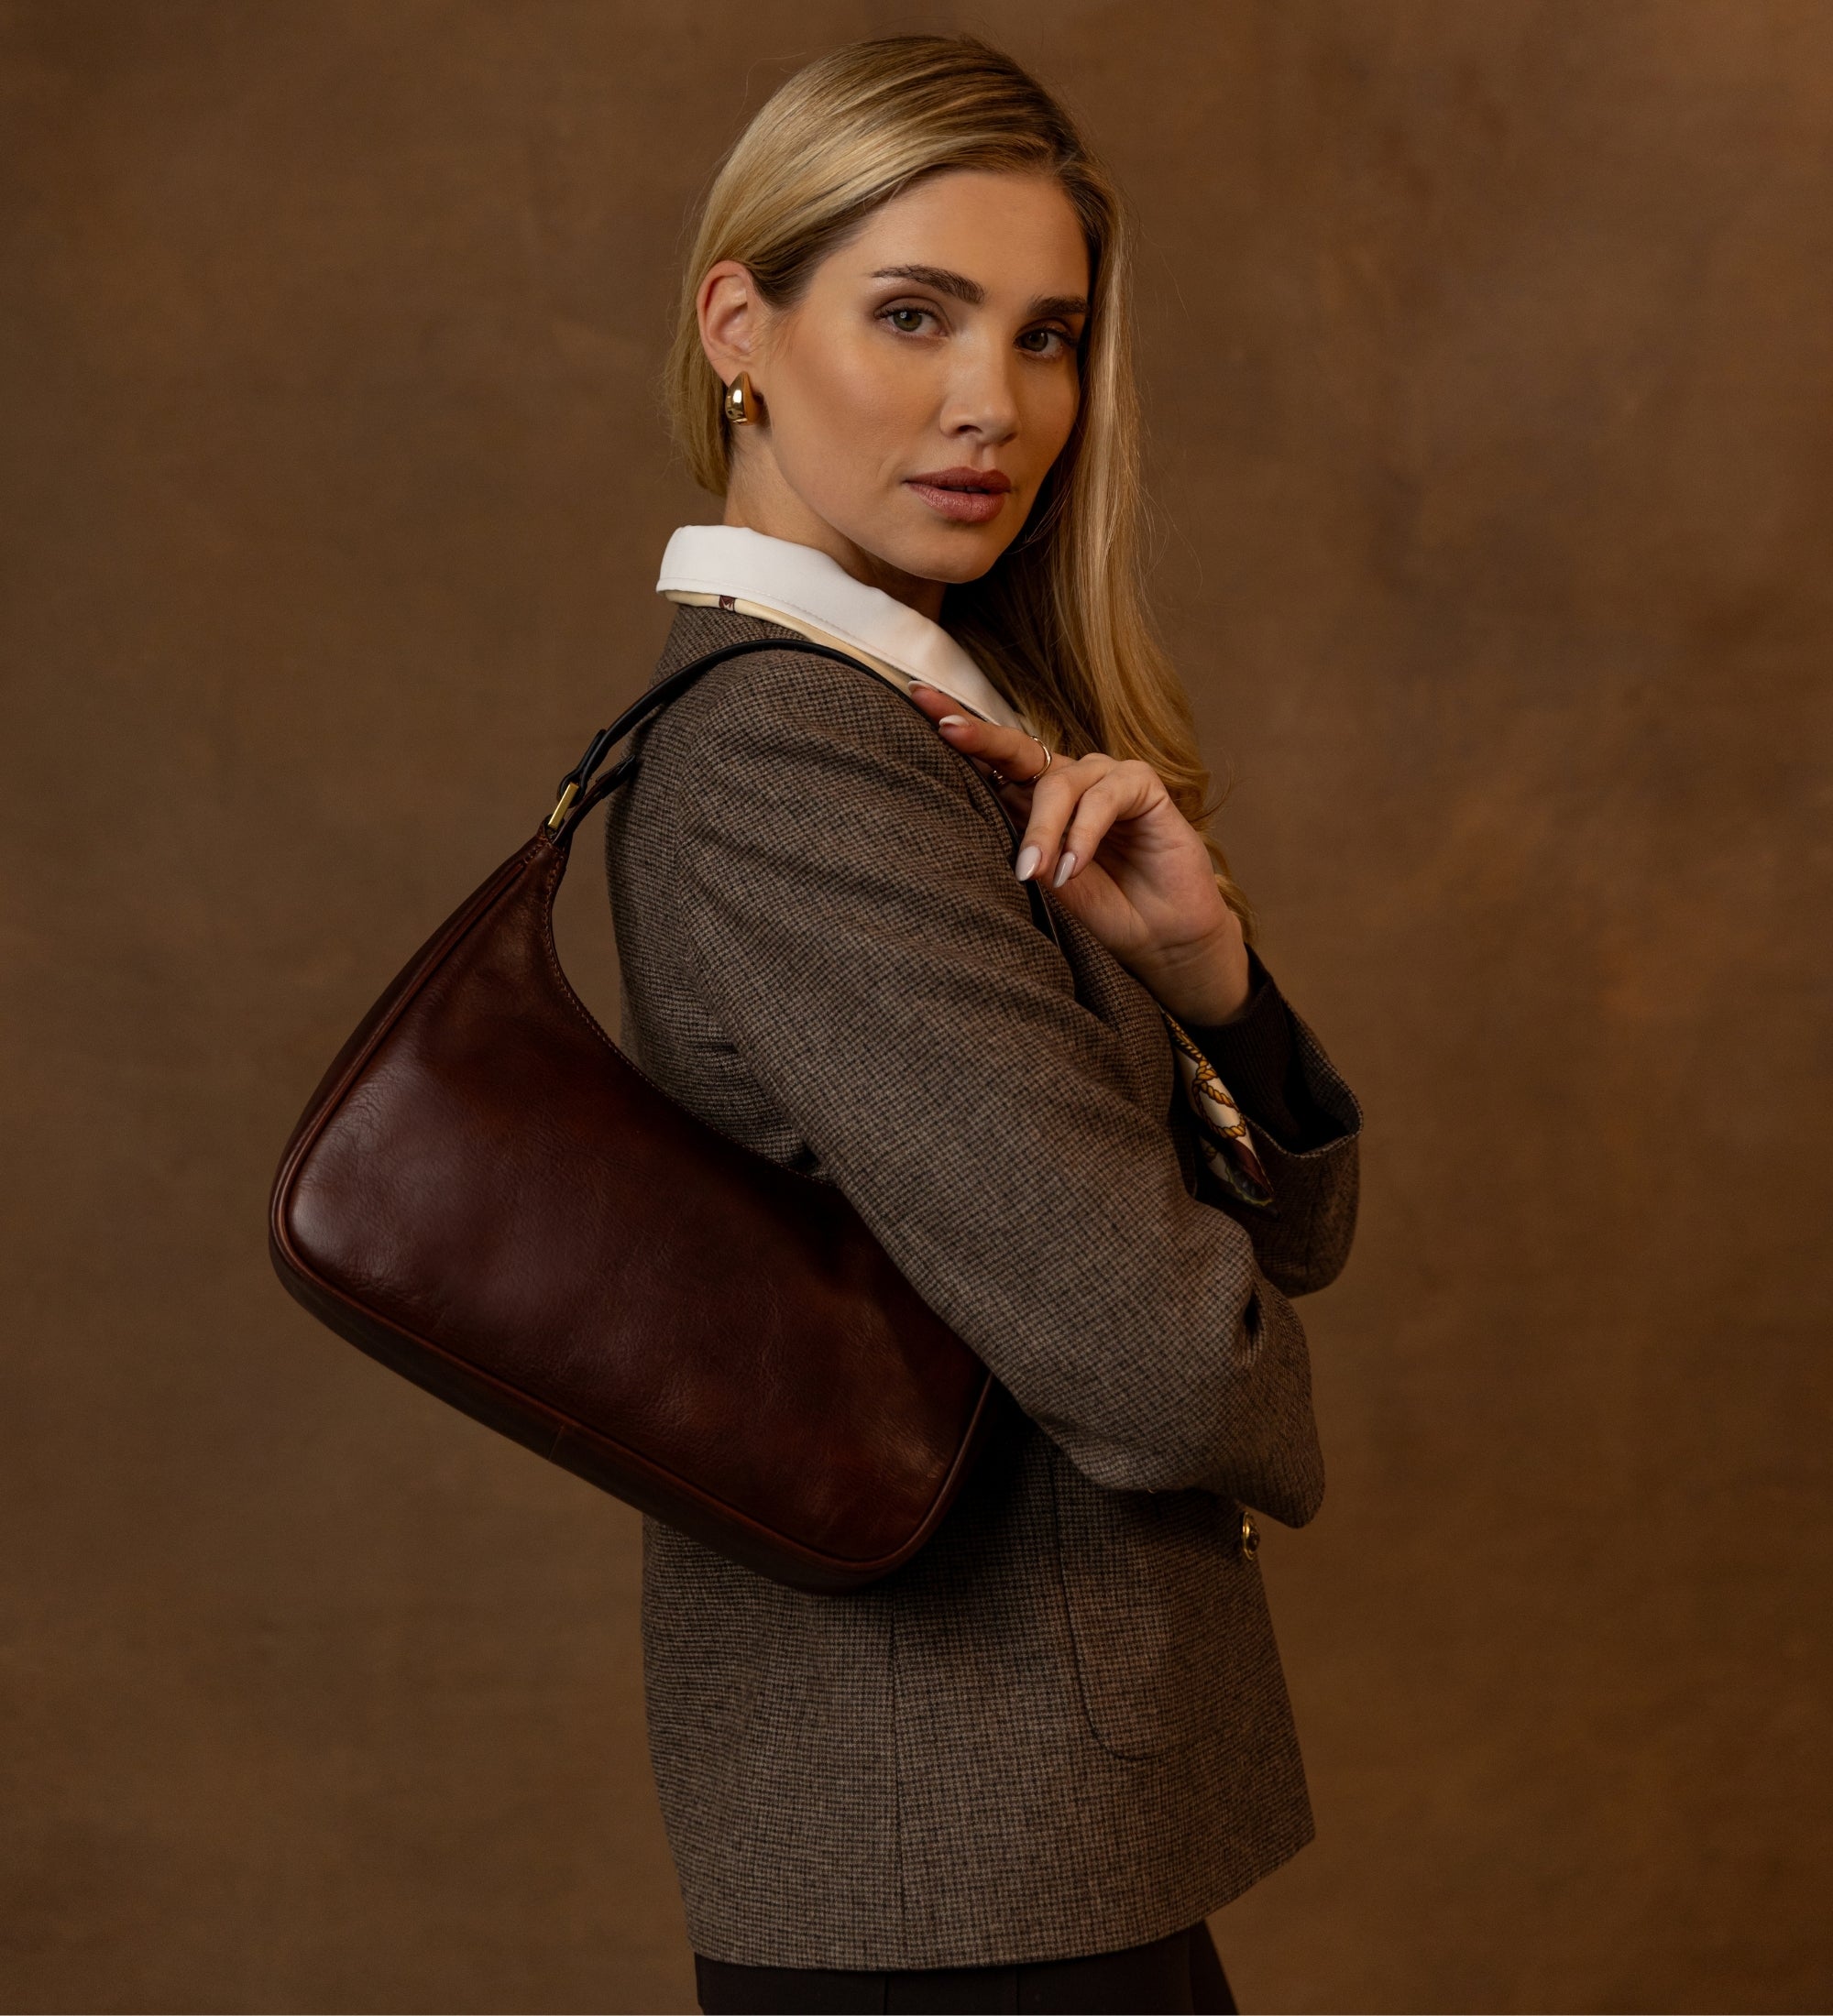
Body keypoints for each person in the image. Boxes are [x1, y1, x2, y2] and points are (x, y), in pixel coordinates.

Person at [604, 35, 1361, 2016]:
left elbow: (1278, 1242)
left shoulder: (925, 726)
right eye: (914, 315)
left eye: (1048, 338)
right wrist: (1249, 1377)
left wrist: (1210, 983)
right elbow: (1161, 1362)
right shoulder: (789, 754)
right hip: (941, 1854)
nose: (992, 406)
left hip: (1013, 1841)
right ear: (740, 328)